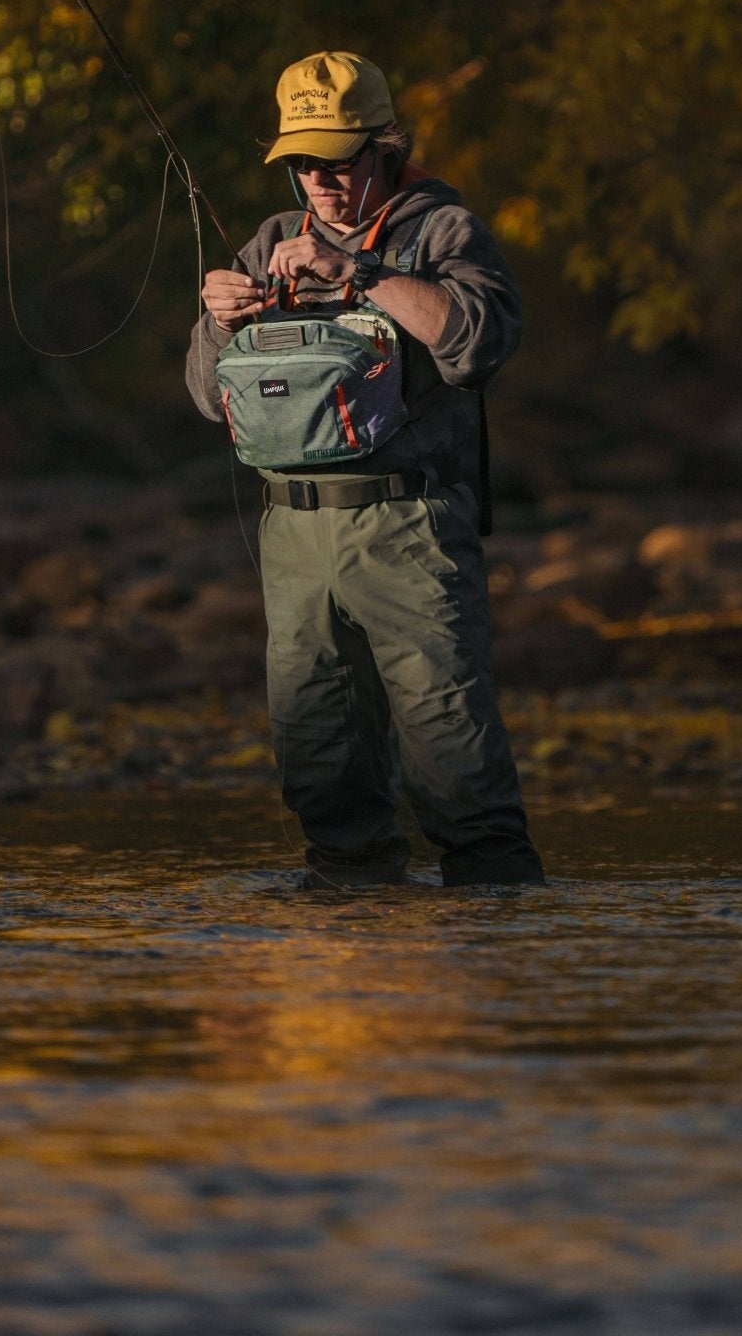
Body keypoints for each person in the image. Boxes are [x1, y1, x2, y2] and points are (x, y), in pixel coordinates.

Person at [186, 50, 544, 889]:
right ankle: (348, 942)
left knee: (453, 756)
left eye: (338, 158)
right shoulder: (270, 242)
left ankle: (499, 950)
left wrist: (362, 274)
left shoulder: (441, 231)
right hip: (294, 538)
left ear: (384, 144)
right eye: (302, 161)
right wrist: (218, 320)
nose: (320, 179)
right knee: (321, 760)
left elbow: (477, 347)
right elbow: (209, 399)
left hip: (409, 525)